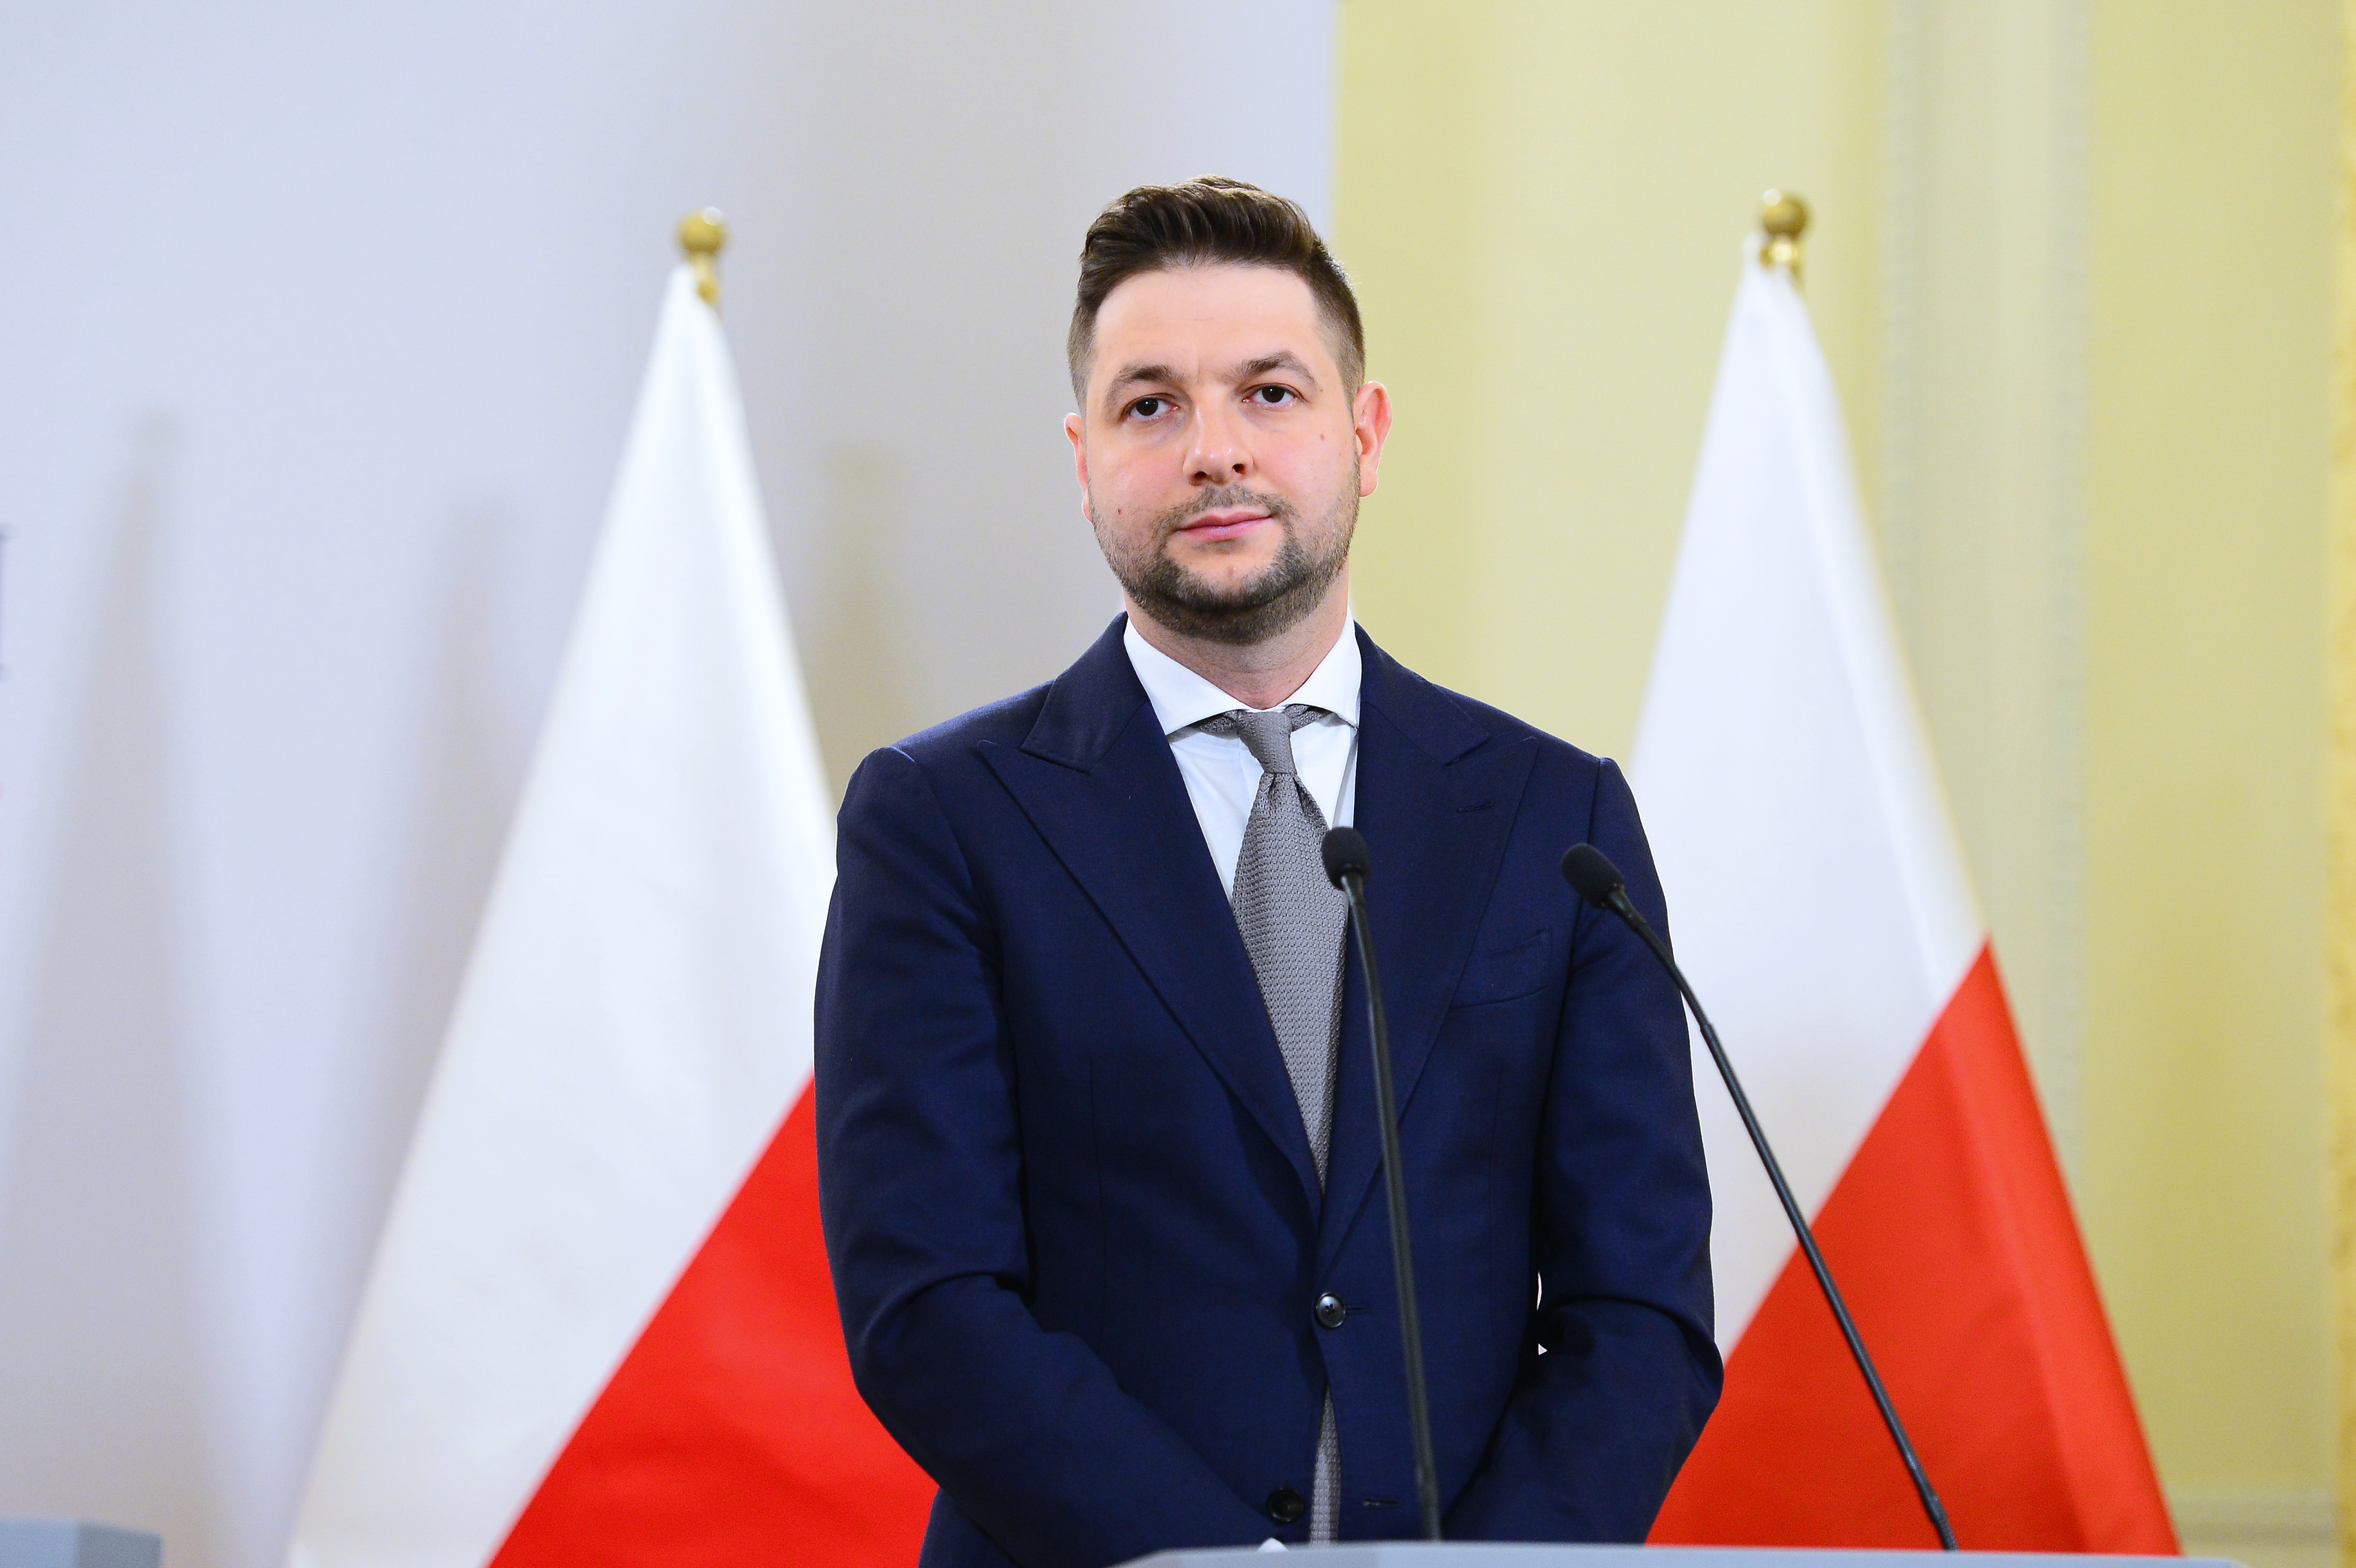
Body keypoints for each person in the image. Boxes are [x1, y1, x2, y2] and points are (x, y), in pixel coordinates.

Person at [815, 176, 1719, 1568]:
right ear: (1083, 458)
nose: (1214, 451)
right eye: (1150, 406)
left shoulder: (1556, 817)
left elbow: (1639, 1306)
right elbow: (927, 1302)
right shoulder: (942, 818)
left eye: (1271, 393)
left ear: (1366, 434)